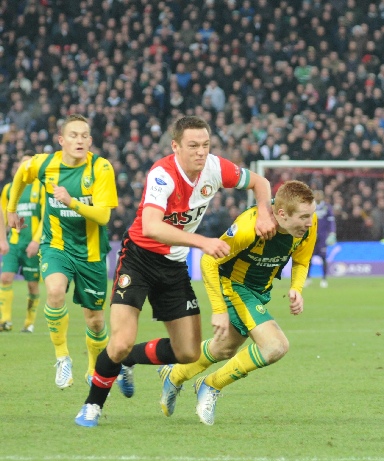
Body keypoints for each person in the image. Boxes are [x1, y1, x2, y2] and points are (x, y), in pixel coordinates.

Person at [75, 115, 277, 427]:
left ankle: (128, 362)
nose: (201, 152)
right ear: (176, 146)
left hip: (173, 266)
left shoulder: (215, 167)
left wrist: (264, 212)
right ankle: (92, 405)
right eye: (193, 145)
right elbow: (153, 227)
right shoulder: (162, 174)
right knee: (120, 342)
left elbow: (260, 182)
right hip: (139, 259)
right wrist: (203, 242)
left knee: (187, 352)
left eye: (206, 145)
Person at [157, 180, 316, 425]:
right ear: (282, 214)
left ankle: (174, 374)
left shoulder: (307, 224)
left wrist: (296, 289)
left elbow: (302, 261)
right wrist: (219, 309)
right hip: (235, 285)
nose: (309, 222)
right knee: (275, 346)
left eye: (311, 215)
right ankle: (210, 385)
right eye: (304, 217)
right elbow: (209, 261)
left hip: (260, 290)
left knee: (225, 348)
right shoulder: (248, 227)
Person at [6, 115, 118, 389]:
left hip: (91, 253)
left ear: (90, 141)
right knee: (55, 291)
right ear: (61, 141)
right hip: (56, 245)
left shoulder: (101, 168)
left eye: (84, 136)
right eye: (73, 135)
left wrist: (71, 201)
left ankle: (93, 367)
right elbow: (22, 174)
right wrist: (11, 209)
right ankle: (62, 357)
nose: (79, 140)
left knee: (95, 321)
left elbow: (103, 216)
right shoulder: (45, 163)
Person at [0, 153, 44, 333]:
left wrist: (36, 241)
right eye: (23, 163)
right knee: (5, 278)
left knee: (32, 285)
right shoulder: (10, 189)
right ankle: (5, 321)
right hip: (14, 243)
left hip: (32, 245)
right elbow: (2, 216)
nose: (26, 167)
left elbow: (46, 218)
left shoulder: (41, 188)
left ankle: (29, 322)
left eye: (30, 164)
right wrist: (2, 240)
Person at [307, 189, 335, 288]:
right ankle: (308, 278)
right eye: (316, 195)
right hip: (311, 237)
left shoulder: (327, 207)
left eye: (319, 195)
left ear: (322, 197)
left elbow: (331, 222)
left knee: (323, 258)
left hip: (323, 237)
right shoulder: (310, 207)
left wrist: (332, 233)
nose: (318, 197)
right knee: (308, 258)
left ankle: (324, 279)